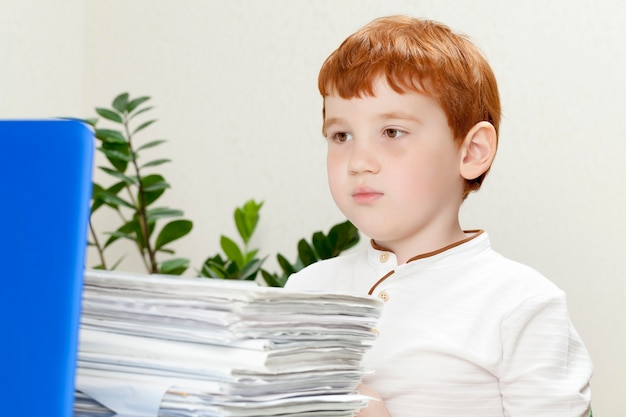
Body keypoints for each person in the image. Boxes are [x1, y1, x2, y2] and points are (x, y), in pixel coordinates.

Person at [285, 15, 593, 417]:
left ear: (471, 152)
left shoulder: (522, 305)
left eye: (392, 132)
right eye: (341, 136)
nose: (358, 161)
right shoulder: (304, 292)